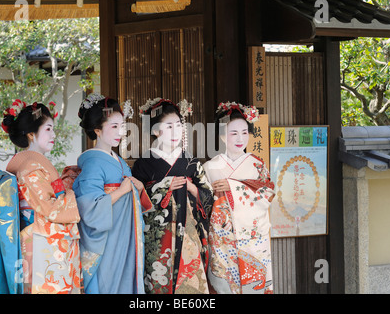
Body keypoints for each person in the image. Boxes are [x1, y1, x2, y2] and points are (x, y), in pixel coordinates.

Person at [0, 99, 82, 294]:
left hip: (41, 237)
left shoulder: (32, 164)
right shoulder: (30, 167)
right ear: (31, 134)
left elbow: (51, 193)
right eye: (48, 129)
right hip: (41, 240)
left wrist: (69, 180)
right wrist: (76, 196)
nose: (54, 135)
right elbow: (50, 208)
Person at [132, 98, 214, 294]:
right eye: (169, 126)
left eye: (178, 125)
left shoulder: (191, 162)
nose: (176, 131)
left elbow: (209, 197)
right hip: (157, 240)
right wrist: (163, 187)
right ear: (155, 131)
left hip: (189, 237)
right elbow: (135, 201)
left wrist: (192, 189)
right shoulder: (143, 164)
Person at [71, 94, 152, 294]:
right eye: (114, 126)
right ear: (97, 130)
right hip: (108, 239)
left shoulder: (118, 160)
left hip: (125, 234)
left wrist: (137, 188)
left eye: (121, 126)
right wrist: (124, 190)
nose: (120, 131)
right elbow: (89, 207)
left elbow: (130, 195)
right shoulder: (93, 162)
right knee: (109, 285)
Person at [203, 102, 275, 294]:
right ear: (222, 135)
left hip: (253, 239)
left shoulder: (257, 164)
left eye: (244, 132)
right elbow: (204, 203)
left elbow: (268, 193)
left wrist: (233, 187)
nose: (240, 138)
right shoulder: (211, 167)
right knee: (223, 286)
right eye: (233, 133)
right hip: (222, 240)